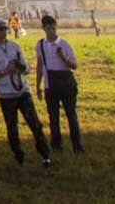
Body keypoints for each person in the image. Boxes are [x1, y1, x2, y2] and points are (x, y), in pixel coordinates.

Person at [0, 15, 50, 168]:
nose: (4, 31)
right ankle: (19, 157)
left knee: (35, 124)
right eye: (1, 29)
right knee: (12, 128)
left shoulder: (15, 46)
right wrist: (6, 71)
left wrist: (19, 67)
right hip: (7, 95)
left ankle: (45, 155)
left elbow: (26, 69)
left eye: (5, 28)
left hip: (23, 91)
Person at [34, 15, 82, 154]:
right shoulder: (40, 45)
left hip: (66, 85)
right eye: (48, 28)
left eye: (53, 28)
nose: (51, 31)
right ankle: (56, 145)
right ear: (43, 28)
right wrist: (38, 86)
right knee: (53, 118)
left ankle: (77, 146)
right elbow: (39, 66)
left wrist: (63, 58)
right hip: (50, 85)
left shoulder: (65, 45)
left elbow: (74, 65)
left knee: (71, 116)